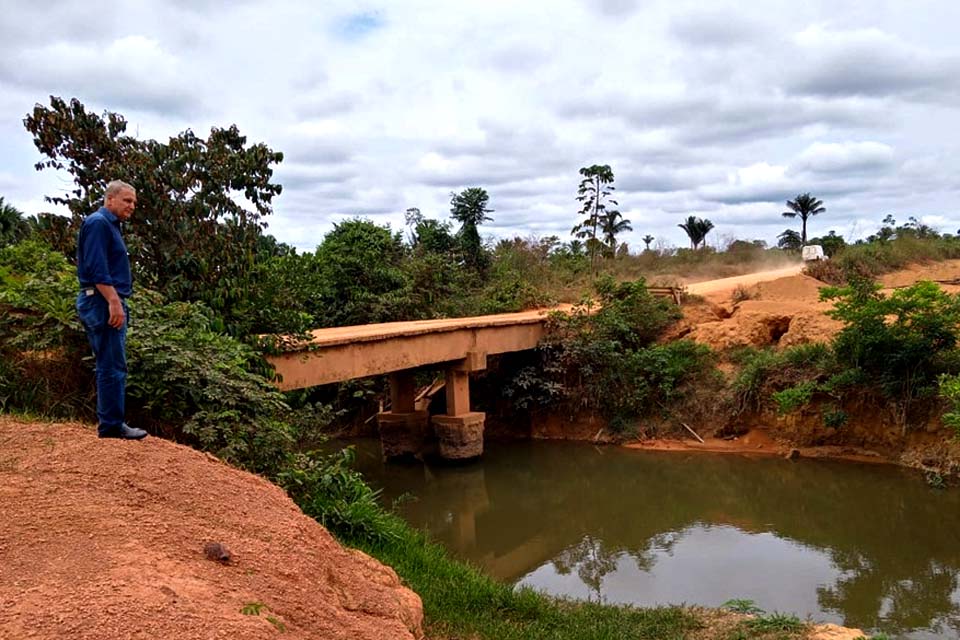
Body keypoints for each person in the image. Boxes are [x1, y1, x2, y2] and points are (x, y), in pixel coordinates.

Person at [76, 180, 147, 440]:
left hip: (104, 299)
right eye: (127, 201)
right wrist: (113, 301)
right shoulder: (98, 223)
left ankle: (112, 423)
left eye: (134, 203)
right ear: (110, 199)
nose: (132, 206)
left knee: (112, 362)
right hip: (101, 300)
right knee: (111, 364)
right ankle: (111, 426)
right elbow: (96, 268)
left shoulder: (110, 226)